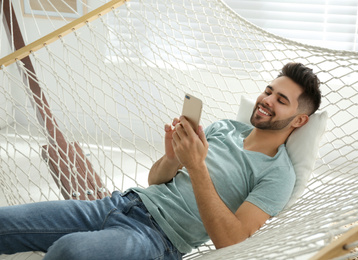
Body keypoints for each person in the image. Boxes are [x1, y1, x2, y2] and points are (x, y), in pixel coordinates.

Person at [0, 62, 321, 259]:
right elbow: (156, 180)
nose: (266, 101)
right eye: (268, 91)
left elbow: (232, 239)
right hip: (121, 203)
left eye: (281, 100)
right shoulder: (225, 128)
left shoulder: (279, 174)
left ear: (299, 121)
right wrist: (172, 157)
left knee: (69, 252)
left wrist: (196, 167)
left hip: (158, 239)